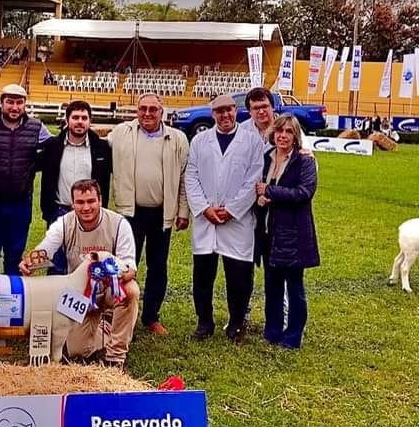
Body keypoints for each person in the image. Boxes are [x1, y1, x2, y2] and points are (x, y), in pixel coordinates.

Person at [19, 179, 138, 368]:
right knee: (77, 351)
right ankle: (107, 327)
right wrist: (29, 262)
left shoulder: (119, 224)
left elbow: (130, 267)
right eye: (80, 202)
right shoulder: (64, 223)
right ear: (72, 204)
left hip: (110, 289)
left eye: (91, 201)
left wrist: (114, 277)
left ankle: (116, 355)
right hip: (78, 294)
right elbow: (47, 248)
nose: (86, 207)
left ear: (100, 200)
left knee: (130, 291)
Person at [107, 92, 189, 335]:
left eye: (153, 109)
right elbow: (95, 142)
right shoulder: (121, 133)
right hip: (129, 212)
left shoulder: (177, 139)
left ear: (161, 112)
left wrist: (182, 210)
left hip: (161, 214)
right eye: (143, 108)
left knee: (157, 266)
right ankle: (117, 313)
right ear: (136, 110)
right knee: (124, 265)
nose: (147, 113)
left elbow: (184, 177)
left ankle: (151, 316)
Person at [185, 94, 264, 343]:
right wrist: (204, 208)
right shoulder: (199, 141)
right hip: (207, 219)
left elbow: (254, 178)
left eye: (229, 110)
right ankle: (204, 322)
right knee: (203, 276)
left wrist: (232, 209)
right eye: (219, 112)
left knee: (238, 276)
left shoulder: (251, 142)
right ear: (213, 115)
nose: (225, 115)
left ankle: (237, 323)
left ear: (235, 111)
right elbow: (191, 177)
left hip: (237, 220)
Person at [255, 114, 319, 349]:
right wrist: (261, 198)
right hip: (269, 232)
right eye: (280, 131)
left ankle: (293, 337)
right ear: (273, 133)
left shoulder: (304, 161)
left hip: (294, 233)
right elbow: (260, 188)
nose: (283, 136)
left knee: (294, 287)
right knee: (271, 285)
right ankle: (272, 331)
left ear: (295, 136)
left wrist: (270, 191)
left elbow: (304, 193)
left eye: (289, 132)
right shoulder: (267, 157)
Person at [0, 84, 51, 274]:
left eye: (19, 103)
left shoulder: (37, 127)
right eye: (10, 102)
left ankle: (11, 300)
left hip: (20, 203)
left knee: (15, 254)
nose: (14, 107)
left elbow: (54, 148)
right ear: (1, 103)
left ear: (25, 105)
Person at [39, 100, 111, 274]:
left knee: (86, 265)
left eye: (84, 118)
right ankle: (54, 300)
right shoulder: (52, 146)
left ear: (90, 121)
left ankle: (84, 301)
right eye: (76, 117)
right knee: (57, 264)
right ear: (67, 119)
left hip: (89, 213)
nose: (80, 122)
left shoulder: (102, 148)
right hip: (59, 211)